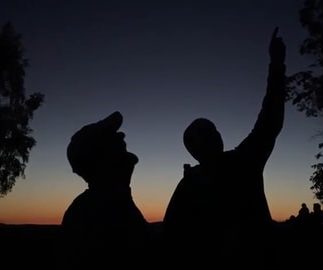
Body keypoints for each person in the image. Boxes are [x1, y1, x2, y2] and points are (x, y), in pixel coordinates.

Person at [163, 27, 286, 268]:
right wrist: (277, 66)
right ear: (195, 148)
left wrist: (277, 66)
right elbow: (173, 237)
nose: (215, 136)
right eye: (207, 133)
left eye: (213, 130)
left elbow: (270, 118)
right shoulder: (238, 164)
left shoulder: (240, 161)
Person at [60, 111, 149, 267]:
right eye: (110, 139)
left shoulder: (114, 202)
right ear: (99, 160)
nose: (121, 136)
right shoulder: (94, 213)